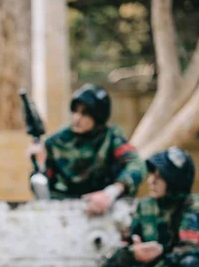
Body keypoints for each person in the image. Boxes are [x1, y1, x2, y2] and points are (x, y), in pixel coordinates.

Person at [26, 84, 146, 214]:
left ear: (98, 116)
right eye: (75, 111)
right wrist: (39, 165)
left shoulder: (111, 137)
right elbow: (41, 187)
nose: (77, 118)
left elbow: (137, 165)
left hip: (104, 207)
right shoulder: (56, 142)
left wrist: (112, 191)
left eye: (85, 113)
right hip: (65, 210)